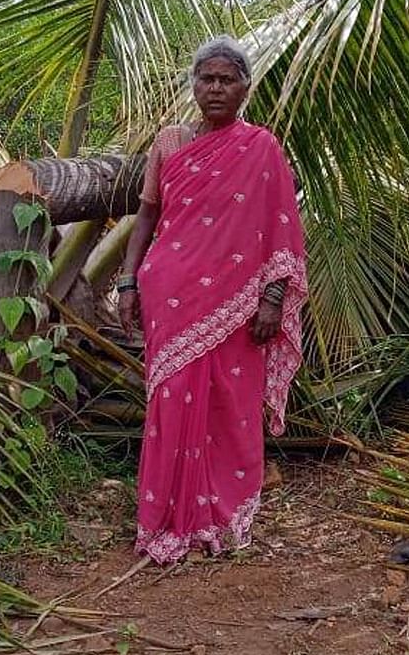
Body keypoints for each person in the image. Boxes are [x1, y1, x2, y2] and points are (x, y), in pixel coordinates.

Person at [116, 36, 307, 564]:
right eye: (207, 79)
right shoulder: (171, 142)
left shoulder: (261, 148)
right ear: (193, 86)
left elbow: (281, 230)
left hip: (236, 302)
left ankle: (222, 513)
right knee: (171, 398)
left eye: (227, 79)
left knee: (230, 402)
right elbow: (147, 216)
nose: (216, 88)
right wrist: (128, 280)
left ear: (245, 88)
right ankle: (167, 516)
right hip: (171, 294)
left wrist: (272, 298)